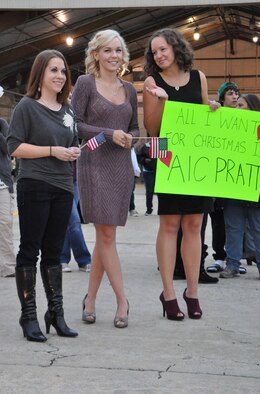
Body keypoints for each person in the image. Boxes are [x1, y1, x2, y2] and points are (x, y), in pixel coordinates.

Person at [143, 28, 216, 320]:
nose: (158, 55)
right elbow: (151, 129)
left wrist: (212, 109)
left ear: (176, 47)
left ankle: (193, 292)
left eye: (163, 49)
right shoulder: (151, 82)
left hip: (197, 161)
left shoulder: (199, 78)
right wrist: (161, 99)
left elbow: (203, 118)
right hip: (169, 158)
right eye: (154, 51)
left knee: (195, 225)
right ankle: (169, 292)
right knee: (170, 224)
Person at [7, 49, 80, 342]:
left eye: (63, 71)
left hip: (63, 186)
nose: (60, 76)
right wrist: (52, 151)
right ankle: (29, 316)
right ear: (40, 74)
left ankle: (56, 313)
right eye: (54, 70)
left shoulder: (68, 111)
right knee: (30, 250)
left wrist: (73, 152)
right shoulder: (26, 106)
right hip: (35, 185)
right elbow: (14, 146)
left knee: (53, 253)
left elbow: (73, 142)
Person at [71, 29, 140, 328]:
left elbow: (136, 128)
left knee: (105, 236)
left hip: (120, 165)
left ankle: (90, 299)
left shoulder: (130, 89)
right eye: (108, 51)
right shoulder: (86, 83)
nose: (114, 56)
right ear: (96, 54)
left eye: (118, 51)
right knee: (107, 235)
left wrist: (131, 140)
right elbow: (73, 123)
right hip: (94, 164)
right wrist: (111, 134)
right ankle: (123, 301)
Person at [220, 94, 260, 280]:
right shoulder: (228, 129)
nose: (237, 109)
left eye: (241, 106)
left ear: (252, 109)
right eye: (236, 106)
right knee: (233, 228)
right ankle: (232, 265)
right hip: (232, 188)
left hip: (255, 190)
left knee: (258, 228)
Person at [206, 82, 246, 275]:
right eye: (230, 93)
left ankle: (236, 259)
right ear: (222, 98)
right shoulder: (215, 116)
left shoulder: (247, 120)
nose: (235, 97)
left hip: (238, 179)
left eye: (237, 93)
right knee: (219, 219)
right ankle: (220, 257)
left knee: (239, 222)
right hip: (219, 179)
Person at [60, 161, 92, 273]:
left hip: (75, 180)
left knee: (67, 222)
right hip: (59, 179)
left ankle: (62, 259)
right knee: (74, 222)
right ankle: (84, 259)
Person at [0, 117, 16, 278]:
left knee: (5, 223)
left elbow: (9, 149)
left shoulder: (2, 124)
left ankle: (8, 267)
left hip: (2, 185)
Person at [136, 140, 156, 216]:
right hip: (148, 171)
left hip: (159, 172)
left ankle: (162, 209)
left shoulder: (161, 145)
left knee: (161, 192)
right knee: (149, 191)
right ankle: (149, 209)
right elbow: (139, 157)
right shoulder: (145, 147)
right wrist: (144, 160)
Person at [129, 147, 140, 217]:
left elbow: (134, 163)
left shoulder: (131, 151)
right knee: (130, 192)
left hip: (130, 173)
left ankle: (132, 208)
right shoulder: (130, 151)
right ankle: (132, 209)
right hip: (130, 173)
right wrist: (137, 172)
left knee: (130, 192)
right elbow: (134, 163)